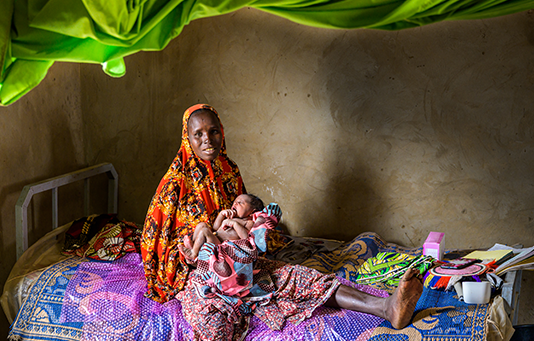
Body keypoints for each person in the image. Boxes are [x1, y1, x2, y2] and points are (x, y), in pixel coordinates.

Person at [141, 104, 424, 340]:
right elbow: (158, 244)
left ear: (222, 132)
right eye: (198, 134)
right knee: (212, 322)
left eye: (214, 131)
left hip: (241, 261)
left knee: (301, 278)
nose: (208, 140)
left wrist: (250, 233)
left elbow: (246, 216)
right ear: (186, 138)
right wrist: (199, 246)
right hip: (199, 273)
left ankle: (387, 307)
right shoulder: (175, 184)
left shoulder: (229, 170)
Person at [179, 193, 267, 261]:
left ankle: (193, 254)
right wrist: (221, 215)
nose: (235, 203)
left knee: (205, 231)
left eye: (240, 203)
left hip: (220, 247)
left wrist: (234, 224)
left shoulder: (248, 222)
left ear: (252, 212)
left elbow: (246, 238)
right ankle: (193, 246)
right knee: (202, 225)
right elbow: (215, 228)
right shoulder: (230, 216)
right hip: (213, 238)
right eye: (235, 202)